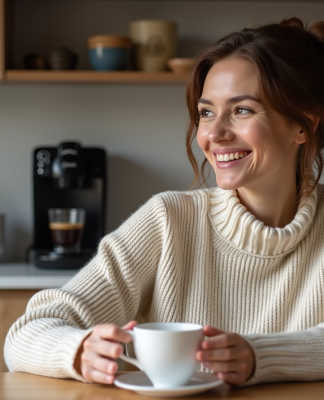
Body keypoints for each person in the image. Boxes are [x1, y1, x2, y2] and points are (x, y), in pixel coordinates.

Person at [5, 16, 324, 387]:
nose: (214, 134)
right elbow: (24, 334)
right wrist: (79, 350)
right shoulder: (168, 221)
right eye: (207, 112)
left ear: (304, 125)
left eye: (242, 110)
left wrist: (259, 357)